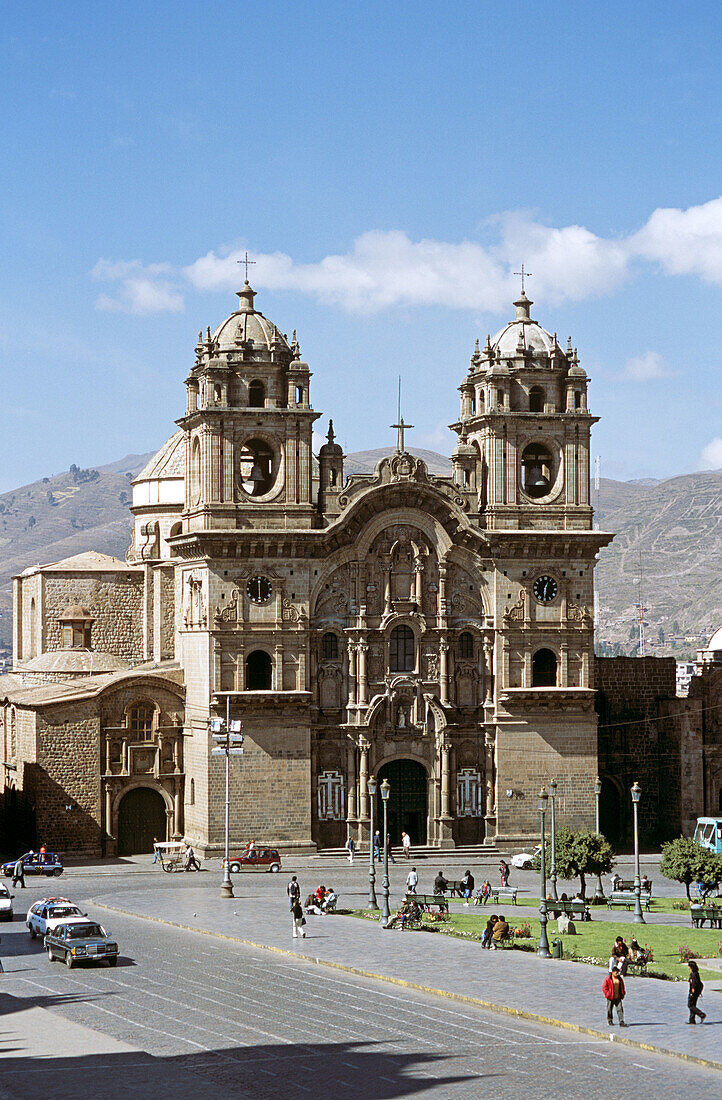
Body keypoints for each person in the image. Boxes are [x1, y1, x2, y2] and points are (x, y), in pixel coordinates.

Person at [603, 962, 627, 1027]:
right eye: (616, 972)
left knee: (620, 1009)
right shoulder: (608, 979)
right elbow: (604, 987)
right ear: (613, 972)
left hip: (618, 996)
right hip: (611, 997)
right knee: (609, 1009)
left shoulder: (619, 979)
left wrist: (623, 994)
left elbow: (622, 986)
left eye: (618, 972)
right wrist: (608, 994)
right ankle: (610, 1020)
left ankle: (621, 1021)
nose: (617, 974)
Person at [687, 959, 706, 1024]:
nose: (688, 967)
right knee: (693, 1005)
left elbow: (695, 982)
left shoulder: (694, 974)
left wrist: (693, 989)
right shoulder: (694, 973)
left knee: (690, 1005)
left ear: (691, 967)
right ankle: (692, 1020)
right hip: (695, 991)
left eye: (688, 966)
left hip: (694, 991)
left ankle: (701, 1014)